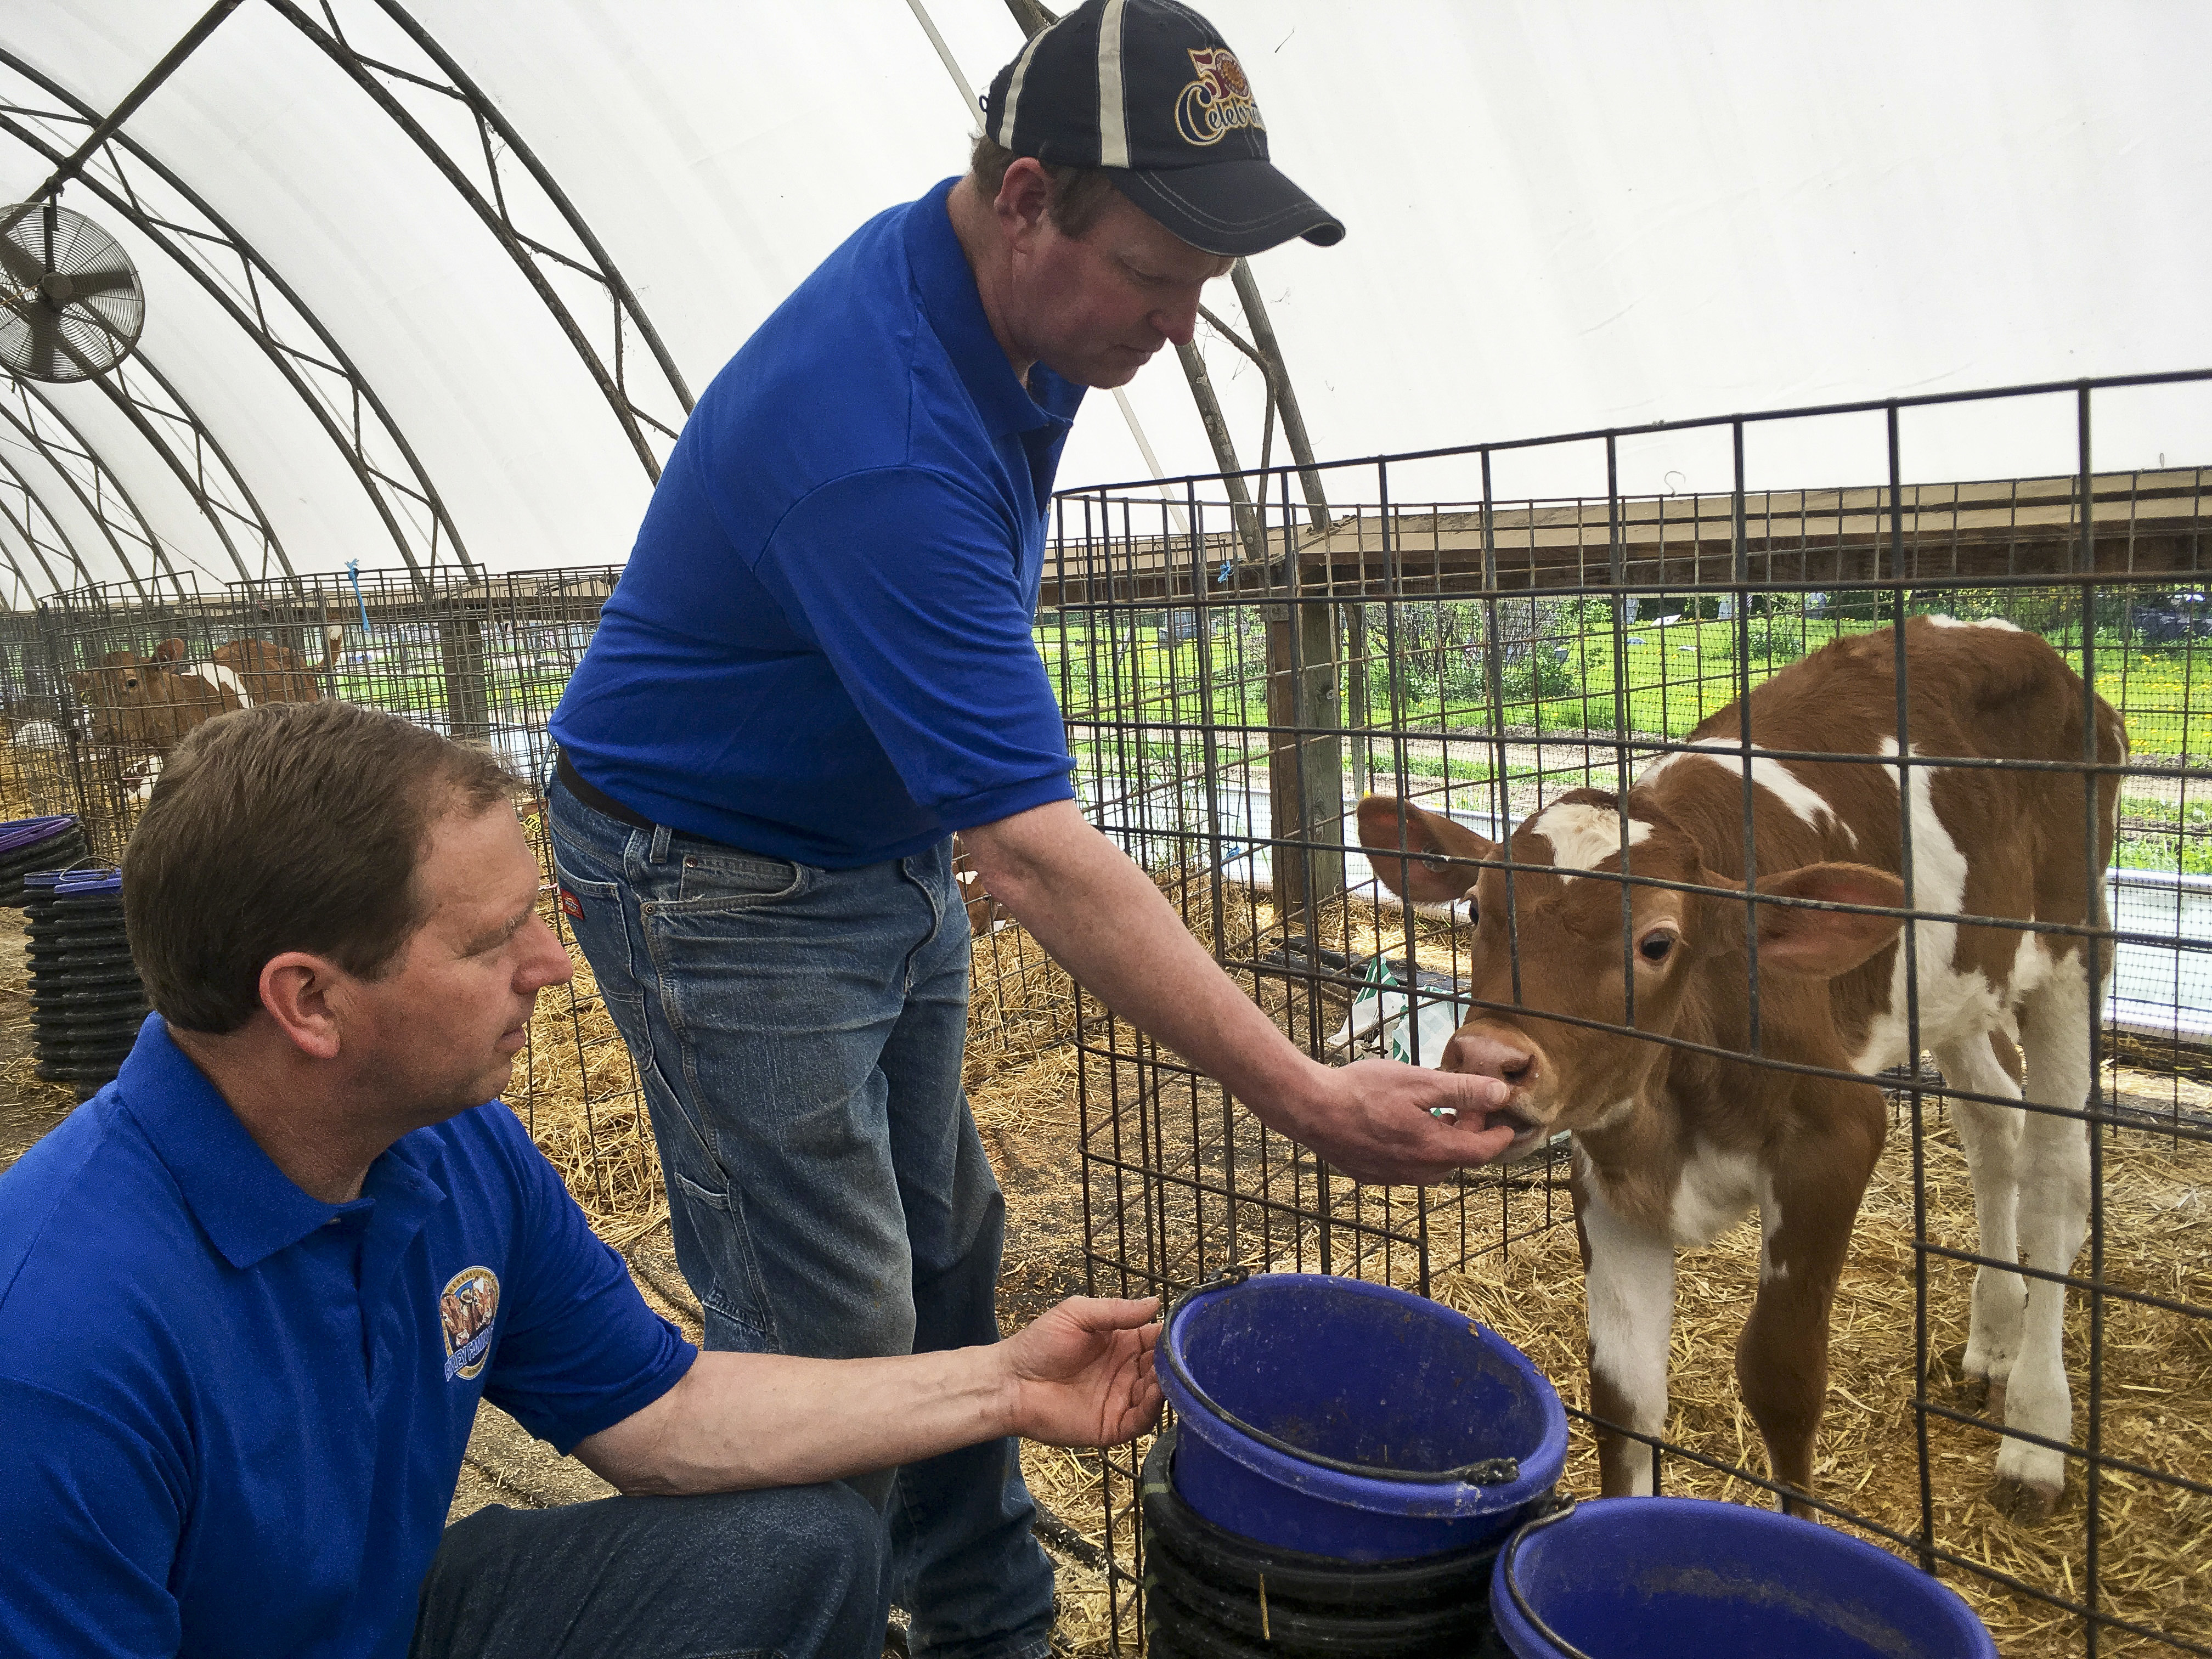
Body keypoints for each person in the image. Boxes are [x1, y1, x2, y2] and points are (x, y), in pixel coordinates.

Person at [545, 4, 1521, 1656]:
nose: (1183, 325)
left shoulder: (1023, 315)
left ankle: (996, 1629)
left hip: (871, 849)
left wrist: (941, 830)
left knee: (947, 1255)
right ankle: (804, 1627)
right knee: (826, 1331)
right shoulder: (879, 431)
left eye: (1205, 284)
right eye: (1158, 276)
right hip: (709, 878)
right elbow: (1037, 852)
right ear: (1026, 198)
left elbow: (985, 807)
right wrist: (1299, 1089)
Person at [0, 698, 1164, 1659]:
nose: (554, 966)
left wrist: (1009, 1383)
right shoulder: (60, 1346)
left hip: (385, 1625)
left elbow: (666, 1414)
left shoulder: (450, 1147)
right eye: (488, 941)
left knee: (809, 1544)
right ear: (308, 1002)